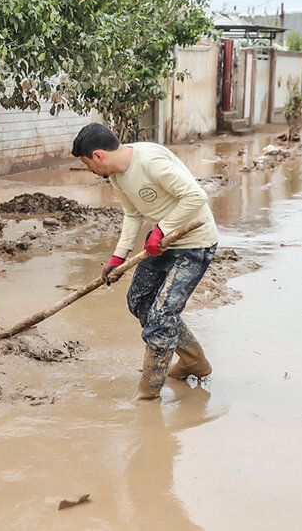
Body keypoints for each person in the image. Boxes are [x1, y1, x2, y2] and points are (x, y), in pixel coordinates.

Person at [71, 123, 218, 401]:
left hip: (194, 243)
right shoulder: (116, 175)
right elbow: (133, 214)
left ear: (99, 155)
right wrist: (118, 256)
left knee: (162, 317)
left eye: (86, 162)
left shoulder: (151, 162)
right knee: (139, 302)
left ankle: (148, 393)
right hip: (162, 242)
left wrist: (162, 228)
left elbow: (196, 196)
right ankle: (193, 360)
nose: (88, 169)